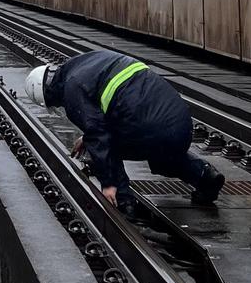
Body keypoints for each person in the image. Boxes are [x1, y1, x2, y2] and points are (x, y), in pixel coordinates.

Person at [24, 50, 224, 213]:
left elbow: (100, 135)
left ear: (49, 95)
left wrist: (108, 182)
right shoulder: (88, 62)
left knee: (104, 146)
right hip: (180, 125)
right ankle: (205, 176)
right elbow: (115, 109)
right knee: (162, 156)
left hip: (151, 129)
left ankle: (123, 200)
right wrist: (87, 136)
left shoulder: (71, 89)